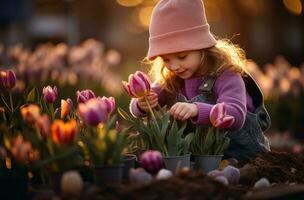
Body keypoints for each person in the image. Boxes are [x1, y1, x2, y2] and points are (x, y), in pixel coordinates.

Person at [129, 0, 270, 160]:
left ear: (202, 47)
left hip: (244, 157)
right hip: (202, 160)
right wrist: (141, 104)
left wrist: (197, 109)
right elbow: (139, 105)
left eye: (182, 56)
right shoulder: (172, 80)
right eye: (166, 59)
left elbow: (236, 115)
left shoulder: (227, 75)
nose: (174, 66)